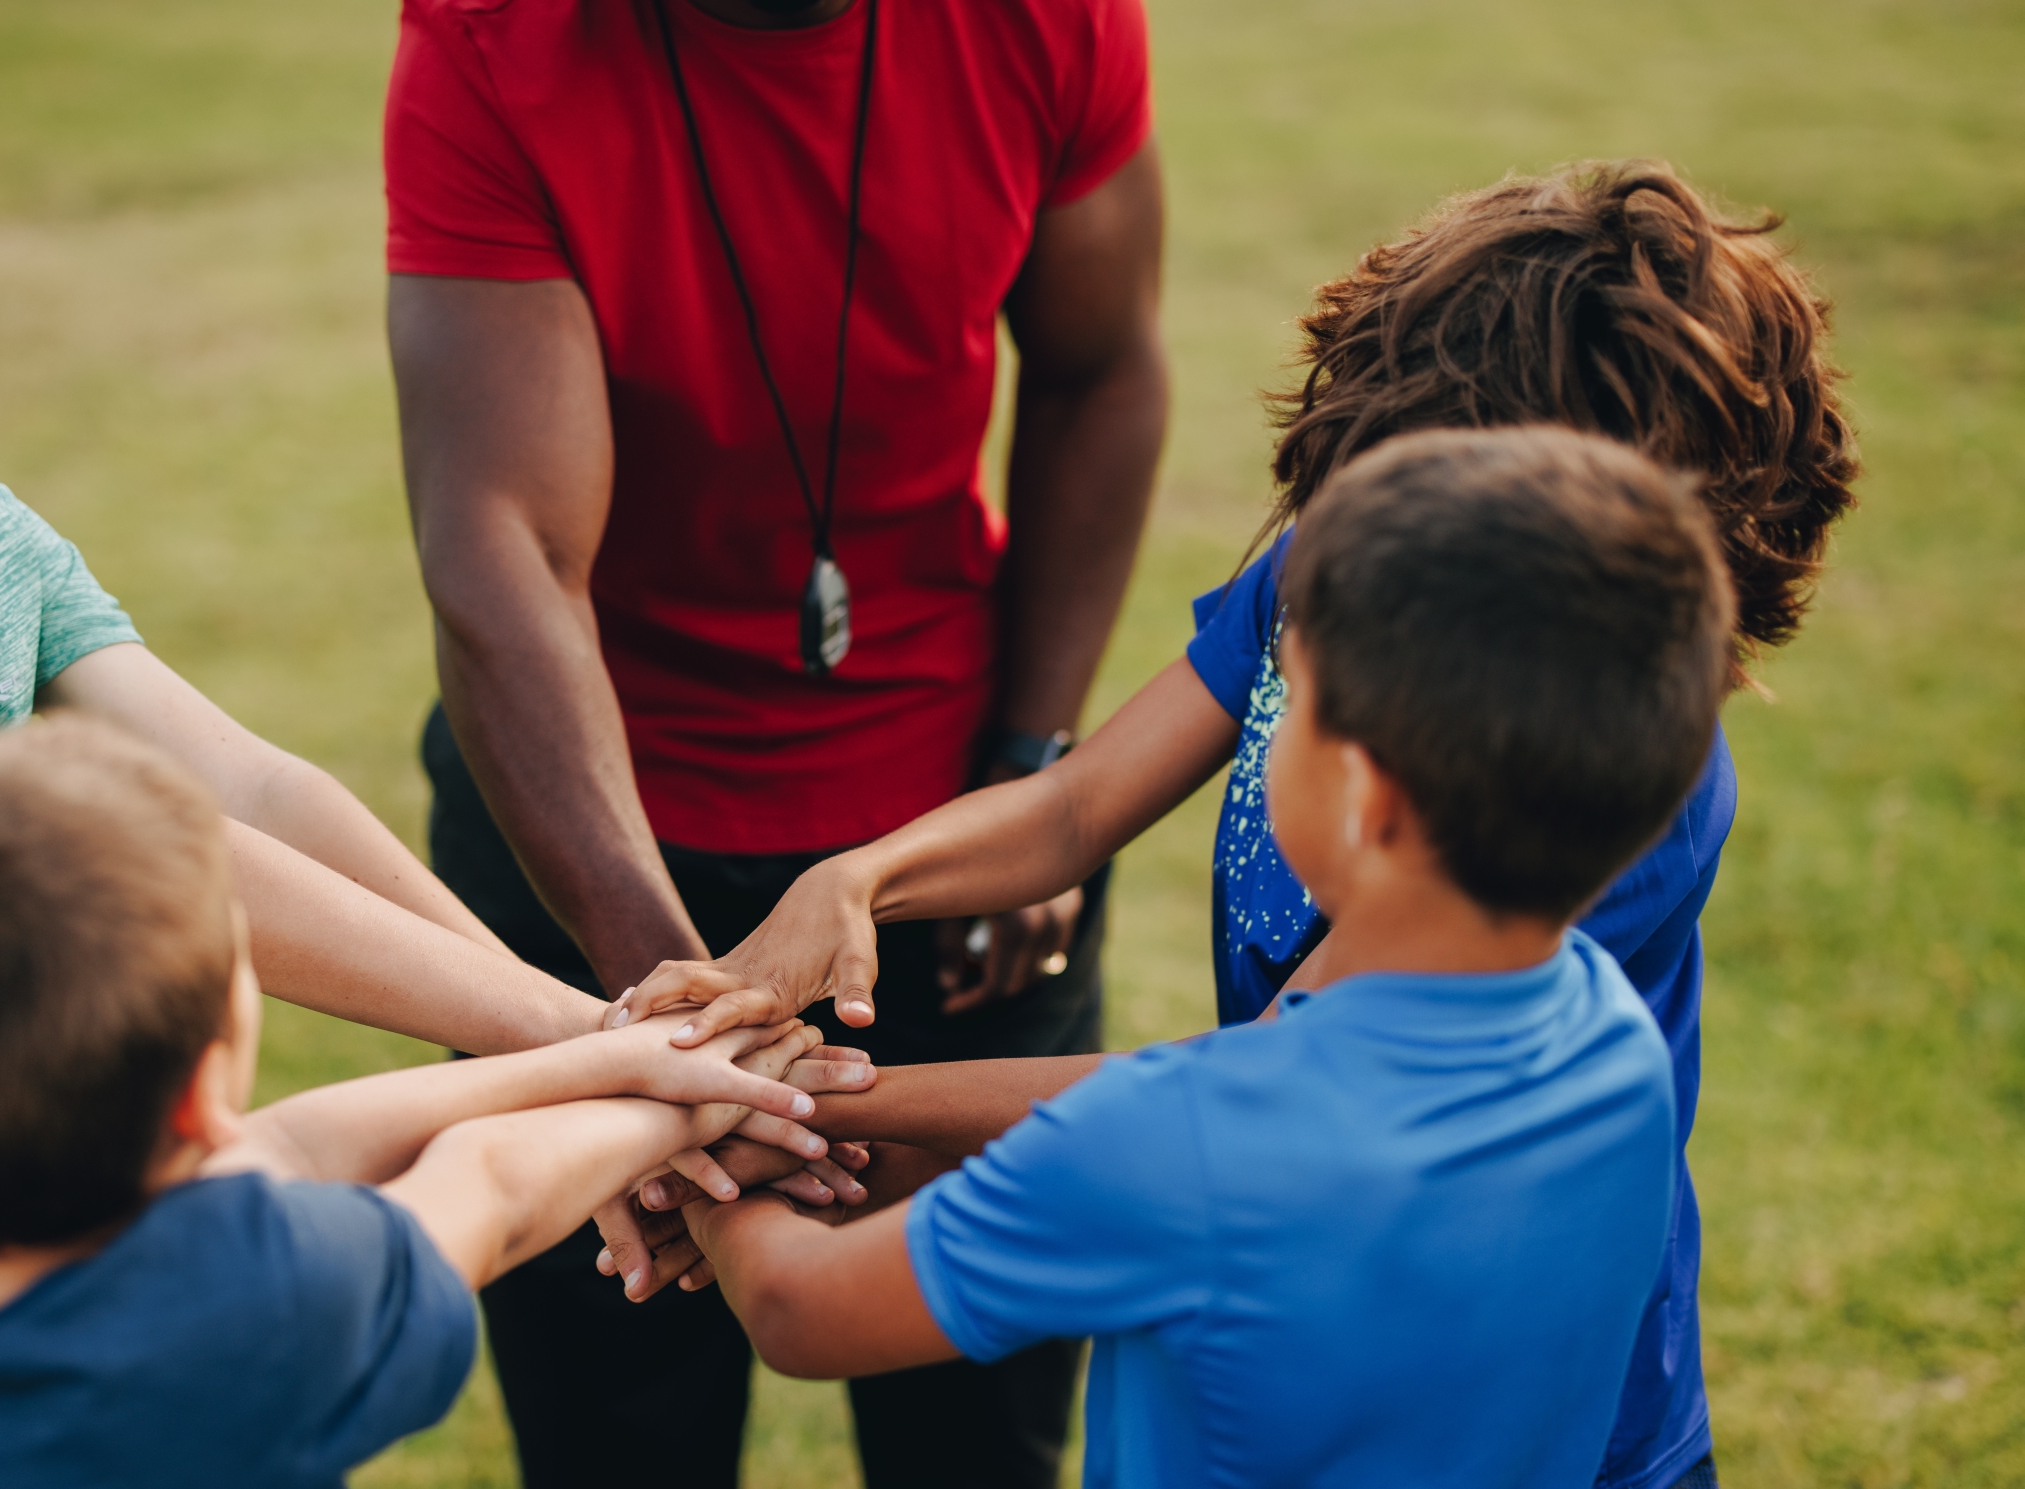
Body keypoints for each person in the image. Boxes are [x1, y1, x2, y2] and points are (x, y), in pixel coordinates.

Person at [0, 4, 852, 1482]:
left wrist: (585, 1040)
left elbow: (253, 789)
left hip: (59, 1281)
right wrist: (602, 1051)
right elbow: (122, 862)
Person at [621, 160, 1859, 1489]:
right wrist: (854, 883)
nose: (1285, 642)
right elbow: (1080, 803)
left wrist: (753, 1116)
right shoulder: (1371, 578)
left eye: (1301, 686)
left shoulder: (1592, 796)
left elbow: (1261, 1097)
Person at [382, 0, 1165, 1478]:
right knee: (620, 1432)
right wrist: (682, 1019)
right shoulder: (495, 36)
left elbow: (1099, 365)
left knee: (983, 1437)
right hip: (591, 853)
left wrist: (1031, 761)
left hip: (955, 842)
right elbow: (503, 546)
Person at [676, 426, 1729, 1486]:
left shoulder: (1175, 1145)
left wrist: (710, 1160)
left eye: (1288, 698)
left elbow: (797, 1308)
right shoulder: (1619, 1049)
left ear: (1363, 797)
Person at [0, 720, 863, 1487]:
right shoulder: (265, 1300)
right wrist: (705, 1094)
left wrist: (622, 1059)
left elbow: (277, 1146)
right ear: (199, 1089)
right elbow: (493, 1187)